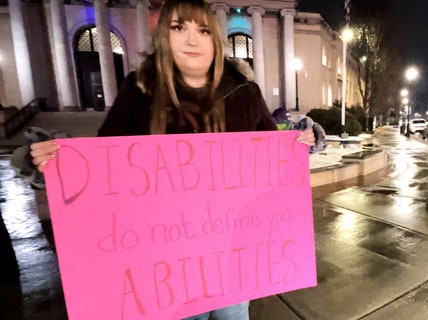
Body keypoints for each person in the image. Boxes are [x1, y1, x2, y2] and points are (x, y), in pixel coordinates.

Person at [28, 0, 315, 319]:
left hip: (234, 253)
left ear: (215, 40)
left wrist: (300, 141)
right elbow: (103, 167)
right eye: (179, 28)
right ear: (163, 36)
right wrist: (57, 163)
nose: (192, 40)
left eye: (203, 30)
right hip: (166, 260)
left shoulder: (245, 93)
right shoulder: (139, 93)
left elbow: (274, 151)